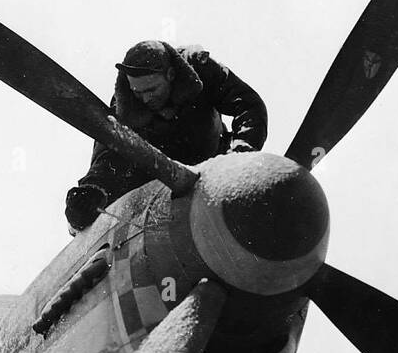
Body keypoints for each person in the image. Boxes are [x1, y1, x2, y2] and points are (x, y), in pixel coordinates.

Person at [64, 40, 268, 232]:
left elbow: (248, 106)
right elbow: (109, 155)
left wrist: (241, 153)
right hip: (160, 191)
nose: (145, 98)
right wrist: (92, 189)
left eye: (152, 89)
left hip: (214, 162)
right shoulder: (123, 106)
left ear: (170, 74)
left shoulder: (199, 68)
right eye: (138, 92)